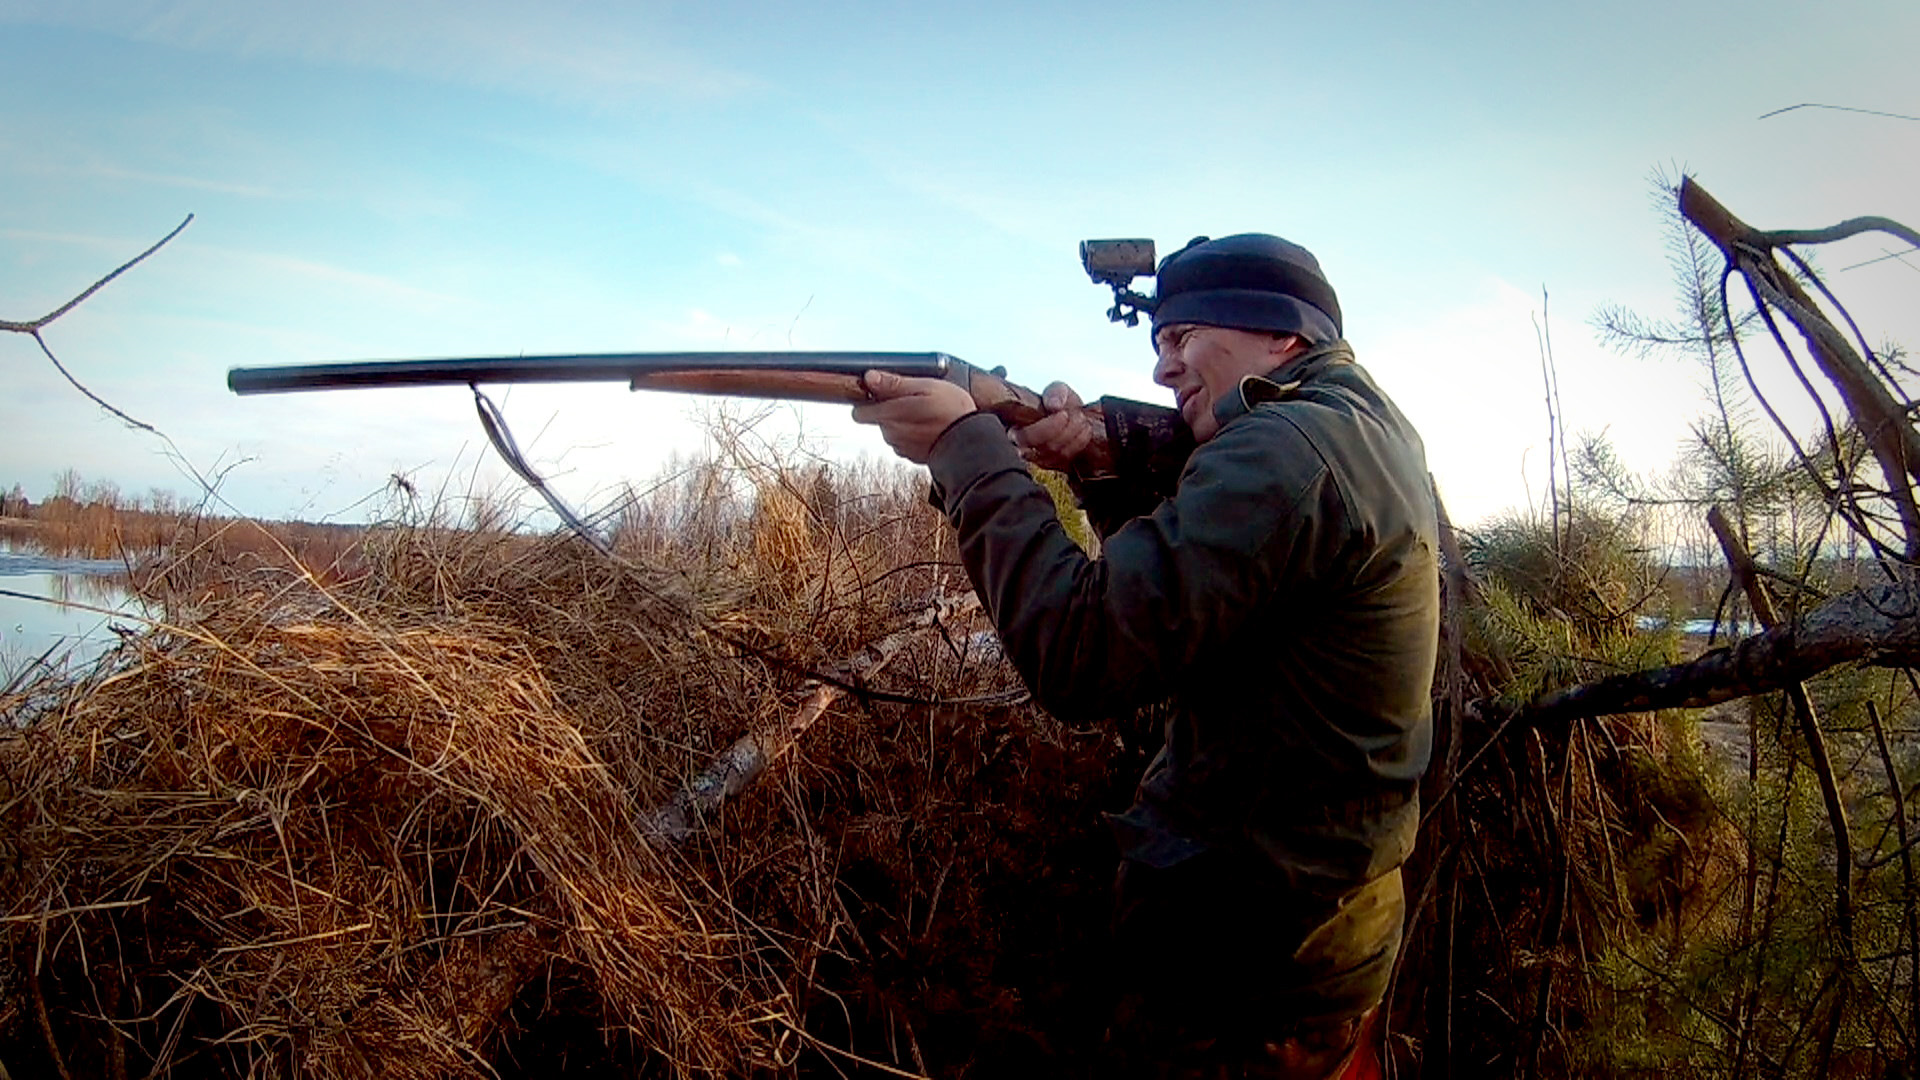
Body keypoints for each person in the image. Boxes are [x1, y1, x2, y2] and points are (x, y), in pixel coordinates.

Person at [852, 234, 1437, 1078]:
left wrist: (969, 452)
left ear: (1280, 335)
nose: (1164, 370)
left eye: (1181, 337)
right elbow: (1199, 594)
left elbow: (1081, 654)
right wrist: (1099, 453)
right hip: (1321, 943)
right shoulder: (1360, 427)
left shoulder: (1287, 448)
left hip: (1245, 973)